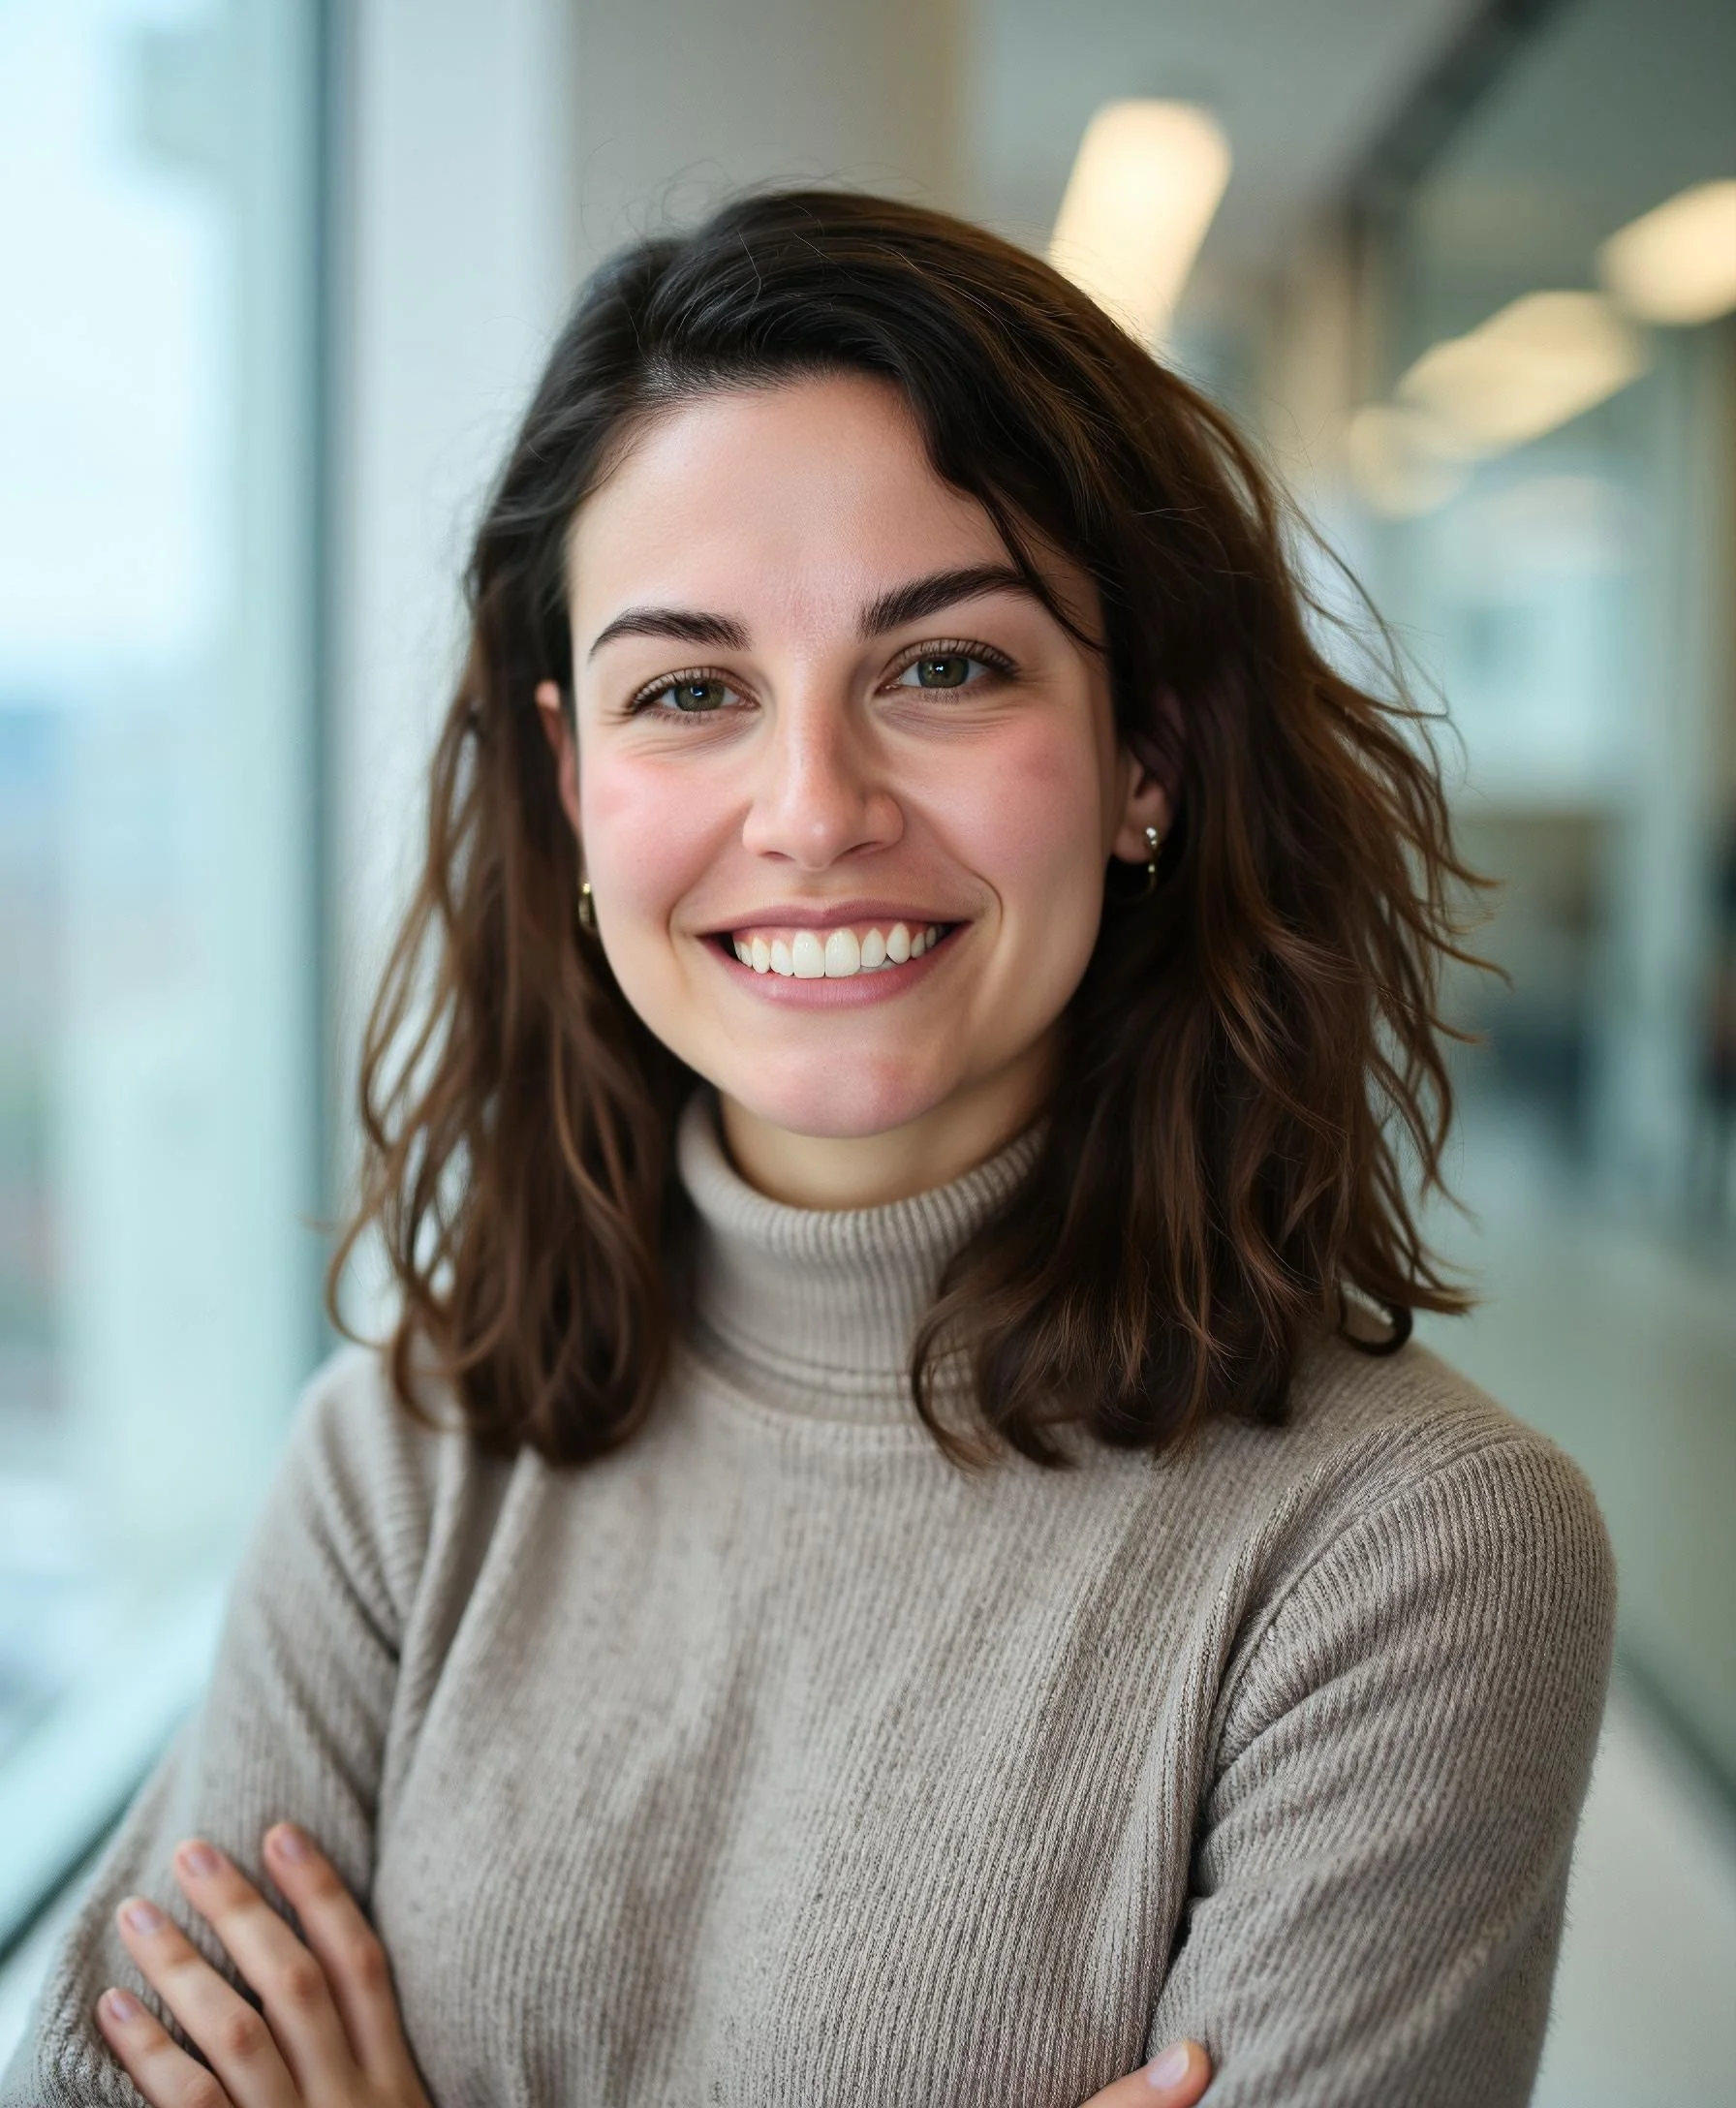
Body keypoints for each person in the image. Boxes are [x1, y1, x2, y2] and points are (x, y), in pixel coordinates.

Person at [4, 189, 1615, 2108]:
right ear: (569, 782)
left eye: (944, 667)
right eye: (688, 691)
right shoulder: (407, 1455)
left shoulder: (1410, 1552)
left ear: (1146, 756)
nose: (810, 809)